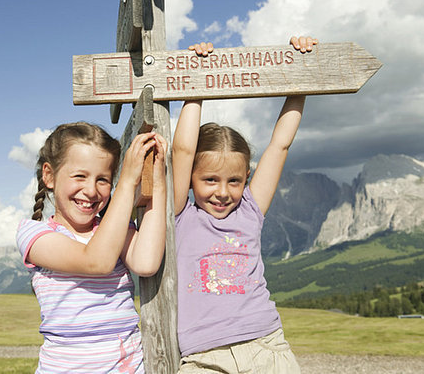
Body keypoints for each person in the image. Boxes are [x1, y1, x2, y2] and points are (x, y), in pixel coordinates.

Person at [172, 36, 318, 373]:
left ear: (246, 177)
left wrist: (301, 80)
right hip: (202, 356)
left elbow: (280, 145)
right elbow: (182, 150)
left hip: (265, 344)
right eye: (210, 180)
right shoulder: (180, 215)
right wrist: (197, 80)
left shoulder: (250, 210)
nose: (223, 192)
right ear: (190, 177)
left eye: (234, 181)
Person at [16, 122, 167, 373]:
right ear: (49, 175)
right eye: (80, 176)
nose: (90, 190)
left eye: (103, 180)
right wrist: (127, 182)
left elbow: (146, 263)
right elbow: (96, 261)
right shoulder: (34, 234)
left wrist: (158, 179)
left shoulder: (113, 228)